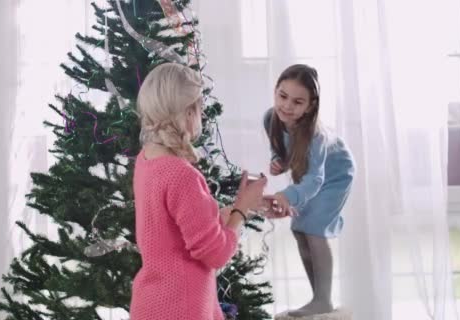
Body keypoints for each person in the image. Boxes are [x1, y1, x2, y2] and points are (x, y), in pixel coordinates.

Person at [130, 63, 289, 319]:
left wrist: (246, 206)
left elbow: (180, 229)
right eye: (200, 107)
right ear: (187, 113)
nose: (202, 114)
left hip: (151, 305)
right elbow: (216, 253)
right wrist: (242, 210)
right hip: (180, 309)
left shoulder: (146, 160)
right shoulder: (181, 174)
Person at [263, 64, 355, 316]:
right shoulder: (271, 118)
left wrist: (287, 195)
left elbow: (316, 180)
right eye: (282, 96)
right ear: (275, 91)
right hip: (310, 175)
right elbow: (280, 146)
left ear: (310, 106)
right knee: (299, 229)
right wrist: (278, 160)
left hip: (335, 176)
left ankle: (322, 299)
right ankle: (319, 296)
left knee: (314, 229)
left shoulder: (316, 137)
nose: (287, 106)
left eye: (297, 101)